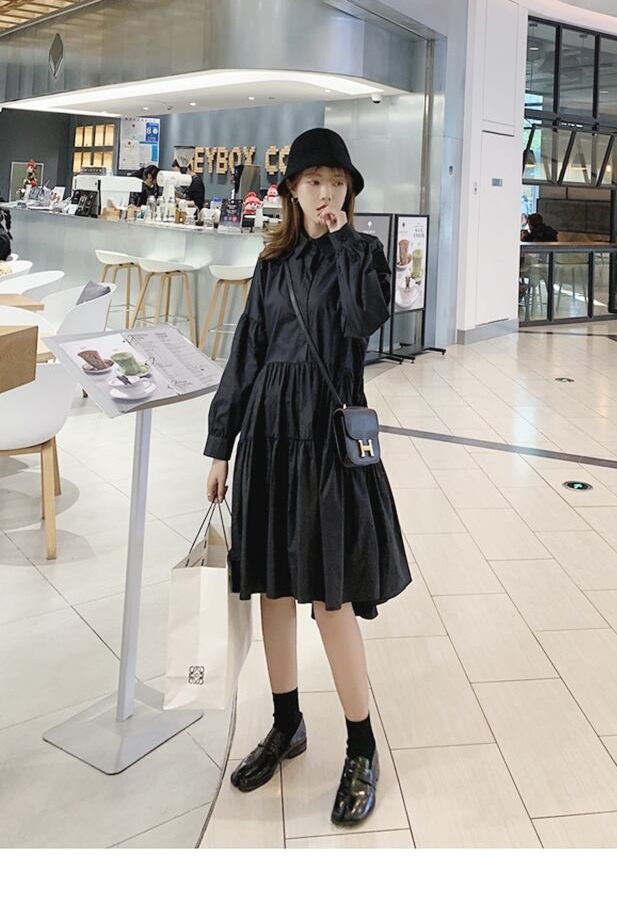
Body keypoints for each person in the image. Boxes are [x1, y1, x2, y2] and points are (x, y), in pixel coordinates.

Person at [204, 127, 411, 827]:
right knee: (274, 589)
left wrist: (343, 239)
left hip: (325, 442)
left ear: (349, 190)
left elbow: (363, 320)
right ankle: (286, 722)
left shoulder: (363, 255)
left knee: (330, 597)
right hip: (267, 438)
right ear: (292, 189)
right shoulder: (271, 264)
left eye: (337, 181)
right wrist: (220, 444)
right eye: (314, 180)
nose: (326, 192)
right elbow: (247, 354)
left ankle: (362, 746)